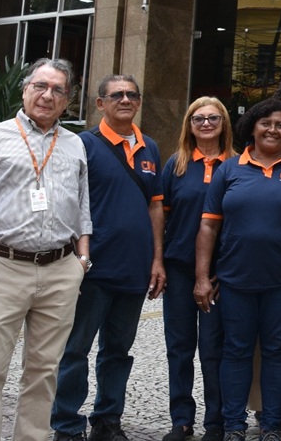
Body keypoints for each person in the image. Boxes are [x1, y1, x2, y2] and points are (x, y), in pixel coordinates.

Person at [0, 58, 91, 441]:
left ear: (68, 100)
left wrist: (81, 261)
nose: (47, 96)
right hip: (5, 267)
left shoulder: (75, 145)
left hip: (61, 270)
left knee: (45, 372)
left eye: (57, 90)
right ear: (25, 89)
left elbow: (83, 210)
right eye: (40, 86)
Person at [195, 98, 281, 441]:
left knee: (278, 350)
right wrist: (201, 277)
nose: (273, 129)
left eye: (280, 125)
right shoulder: (230, 169)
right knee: (236, 350)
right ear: (252, 126)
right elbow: (208, 227)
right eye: (266, 123)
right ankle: (234, 425)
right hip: (235, 280)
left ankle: (270, 424)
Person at [52, 75, 166, 441]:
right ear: (100, 103)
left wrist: (157, 260)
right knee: (75, 350)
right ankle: (67, 425)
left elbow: (156, 208)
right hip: (93, 268)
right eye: (116, 95)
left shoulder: (150, 147)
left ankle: (107, 420)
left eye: (132, 94)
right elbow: (68, 202)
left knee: (118, 350)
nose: (125, 99)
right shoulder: (82, 144)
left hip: (135, 269)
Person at [161, 98, 235, 441]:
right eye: (198, 118)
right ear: (189, 125)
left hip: (221, 273)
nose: (206, 123)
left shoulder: (236, 164)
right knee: (180, 346)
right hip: (178, 269)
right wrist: (157, 261)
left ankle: (215, 422)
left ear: (224, 123)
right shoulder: (176, 165)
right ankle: (181, 419)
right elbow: (161, 216)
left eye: (213, 118)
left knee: (213, 348)